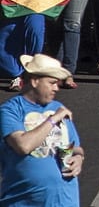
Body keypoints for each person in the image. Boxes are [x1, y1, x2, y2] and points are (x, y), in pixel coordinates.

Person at [0, 54, 82, 206]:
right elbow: (23, 146)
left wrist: (78, 159)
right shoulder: (10, 111)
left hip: (65, 200)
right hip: (24, 201)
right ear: (35, 81)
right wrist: (53, 119)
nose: (56, 88)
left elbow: (74, 147)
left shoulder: (58, 108)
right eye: (52, 83)